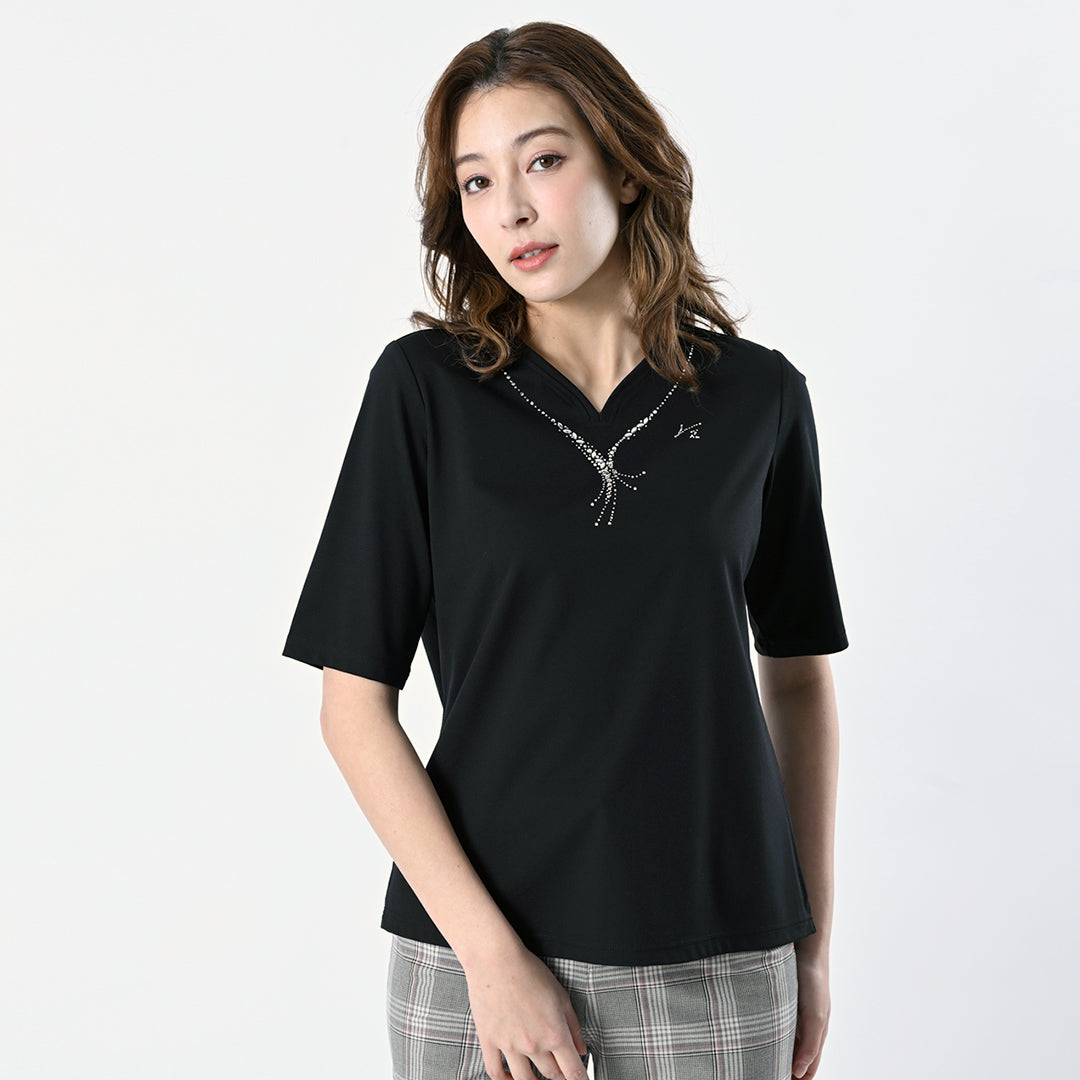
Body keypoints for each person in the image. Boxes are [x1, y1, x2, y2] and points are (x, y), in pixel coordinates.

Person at [282, 21, 847, 1080]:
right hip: (474, 959)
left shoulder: (761, 400)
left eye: (543, 160)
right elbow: (352, 706)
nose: (512, 209)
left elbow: (799, 679)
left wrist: (811, 944)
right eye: (477, 181)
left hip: (718, 952)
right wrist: (492, 960)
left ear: (625, 167)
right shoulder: (424, 393)